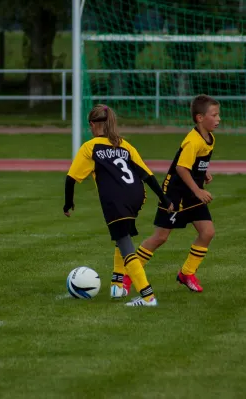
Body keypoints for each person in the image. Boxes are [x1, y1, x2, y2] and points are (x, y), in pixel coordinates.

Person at [63, 104, 173, 307]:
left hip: (116, 199)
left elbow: (71, 179)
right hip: (137, 195)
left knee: (125, 246)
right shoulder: (124, 145)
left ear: (92, 125)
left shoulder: (90, 147)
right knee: (122, 235)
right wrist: (164, 199)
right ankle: (117, 285)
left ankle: (148, 297)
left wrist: (68, 204)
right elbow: (146, 174)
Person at [124, 94, 221, 294]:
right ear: (200, 118)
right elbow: (181, 169)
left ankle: (186, 273)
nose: (218, 119)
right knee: (160, 237)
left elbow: (193, 164)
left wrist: (203, 173)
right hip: (175, 194)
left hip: (191, 193)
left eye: (218, 115)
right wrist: (198, 189)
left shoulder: (209, 138)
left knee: (207, 232)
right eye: (214, 115)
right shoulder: (192, 141)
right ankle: (129, 274)